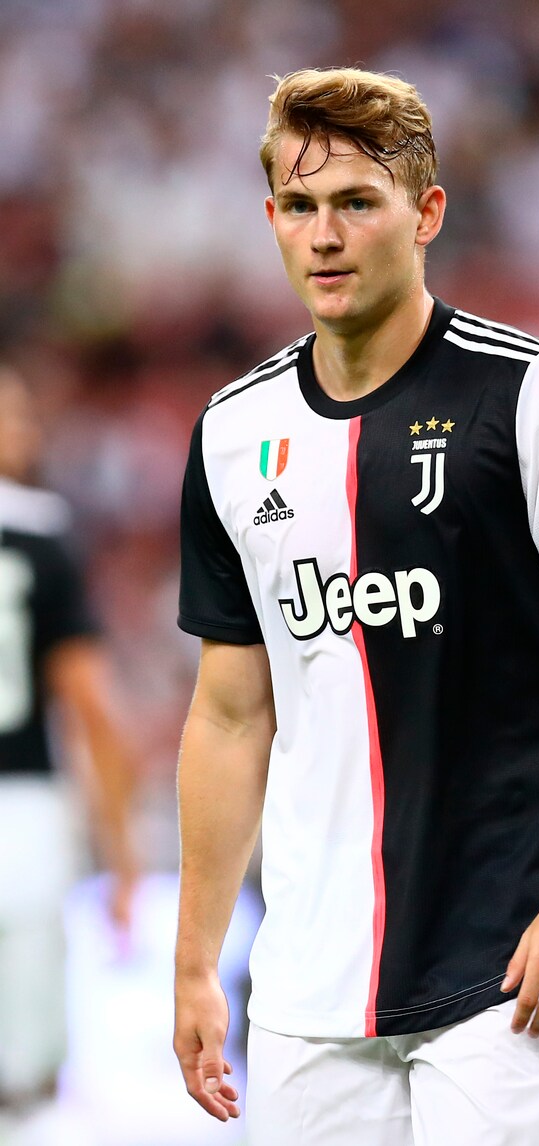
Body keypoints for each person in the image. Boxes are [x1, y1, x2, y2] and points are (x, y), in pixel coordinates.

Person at [173, 68, 539, 1146]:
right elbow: (229, 713)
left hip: (512, 955)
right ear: (271, 219)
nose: (324, 235)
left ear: (426, 212)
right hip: (309, 980)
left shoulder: (534, 391)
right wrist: (196, 961)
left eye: (357, 202)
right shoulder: (230, 432)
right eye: (299, 205)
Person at [0, 366, 138, 1113]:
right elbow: (93, 708)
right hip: (20, 816)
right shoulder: (40, 536)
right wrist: (120, 852)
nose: (26, 431)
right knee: (23, 1077)